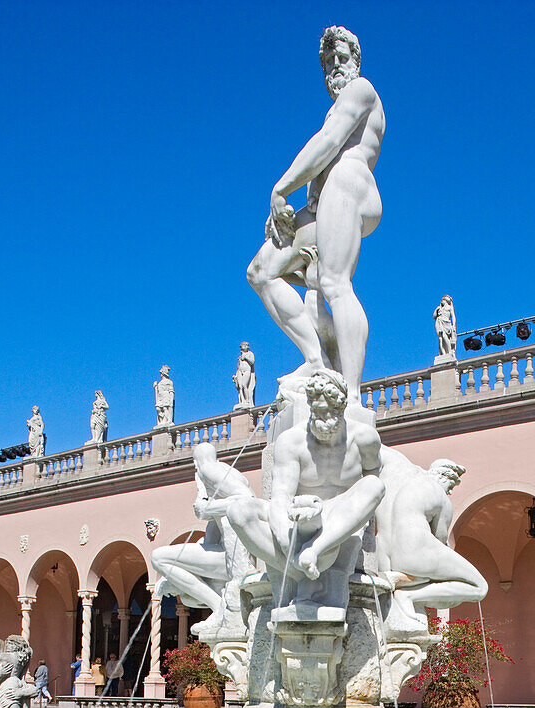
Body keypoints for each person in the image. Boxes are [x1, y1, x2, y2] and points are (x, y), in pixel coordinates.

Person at [246, 26, 385, 398]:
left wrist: (281, 188)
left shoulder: (362, 90)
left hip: (352, 185)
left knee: (336, 284)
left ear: (356, 62)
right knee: (261, 272)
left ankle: (352, 397)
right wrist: (285, 217)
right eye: (329, 62)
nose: (336, 67)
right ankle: (316, 360)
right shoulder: (332, 109)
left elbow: (329, 143)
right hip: (322, 208)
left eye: (343, 58)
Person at [227, 369, 384, 612]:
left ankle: (314, 551)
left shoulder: (364, 438)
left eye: (329, 411)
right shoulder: (292, 441)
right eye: (317, 410)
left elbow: (373, 477)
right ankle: (299, 568)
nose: (323, 417)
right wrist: (285, 541)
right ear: (310, 406)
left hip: (339, 517)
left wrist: (351, 522)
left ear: (341, 407)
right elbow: (280, 497)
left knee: (375, 485)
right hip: (297, 516)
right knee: (238, 510)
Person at [375, 451, 487, 630]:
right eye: (451, 486)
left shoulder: (395, 481)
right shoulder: (440, 496)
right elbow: (440, 539)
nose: (450, 491)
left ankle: (402, 581)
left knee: (427, 575)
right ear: (443, 477)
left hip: (381, 554)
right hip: (414, 549)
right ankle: (409, 596)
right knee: (479, 587)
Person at [151, 441, 254, 632]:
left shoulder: (209, 471)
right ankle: (219, 606)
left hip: (233, 558)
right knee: (189, 596)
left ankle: (218, 607)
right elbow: (211, 538)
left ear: (196, 463)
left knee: (158, 558)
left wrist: (206, 508)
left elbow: (246, 500)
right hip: (230, 557)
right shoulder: (224, 474)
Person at [232, 342, 256, 408]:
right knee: (240, 386)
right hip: (240, 371)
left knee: (244, 385)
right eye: (243, 346)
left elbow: (252, 362)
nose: (245, 347)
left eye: (246, 345)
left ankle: (248, 401)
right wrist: (236, 375)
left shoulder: (250, 354)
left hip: (247, 371)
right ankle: (242, 401)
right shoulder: (239, 357)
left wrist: (245, 357)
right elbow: (238, 367)